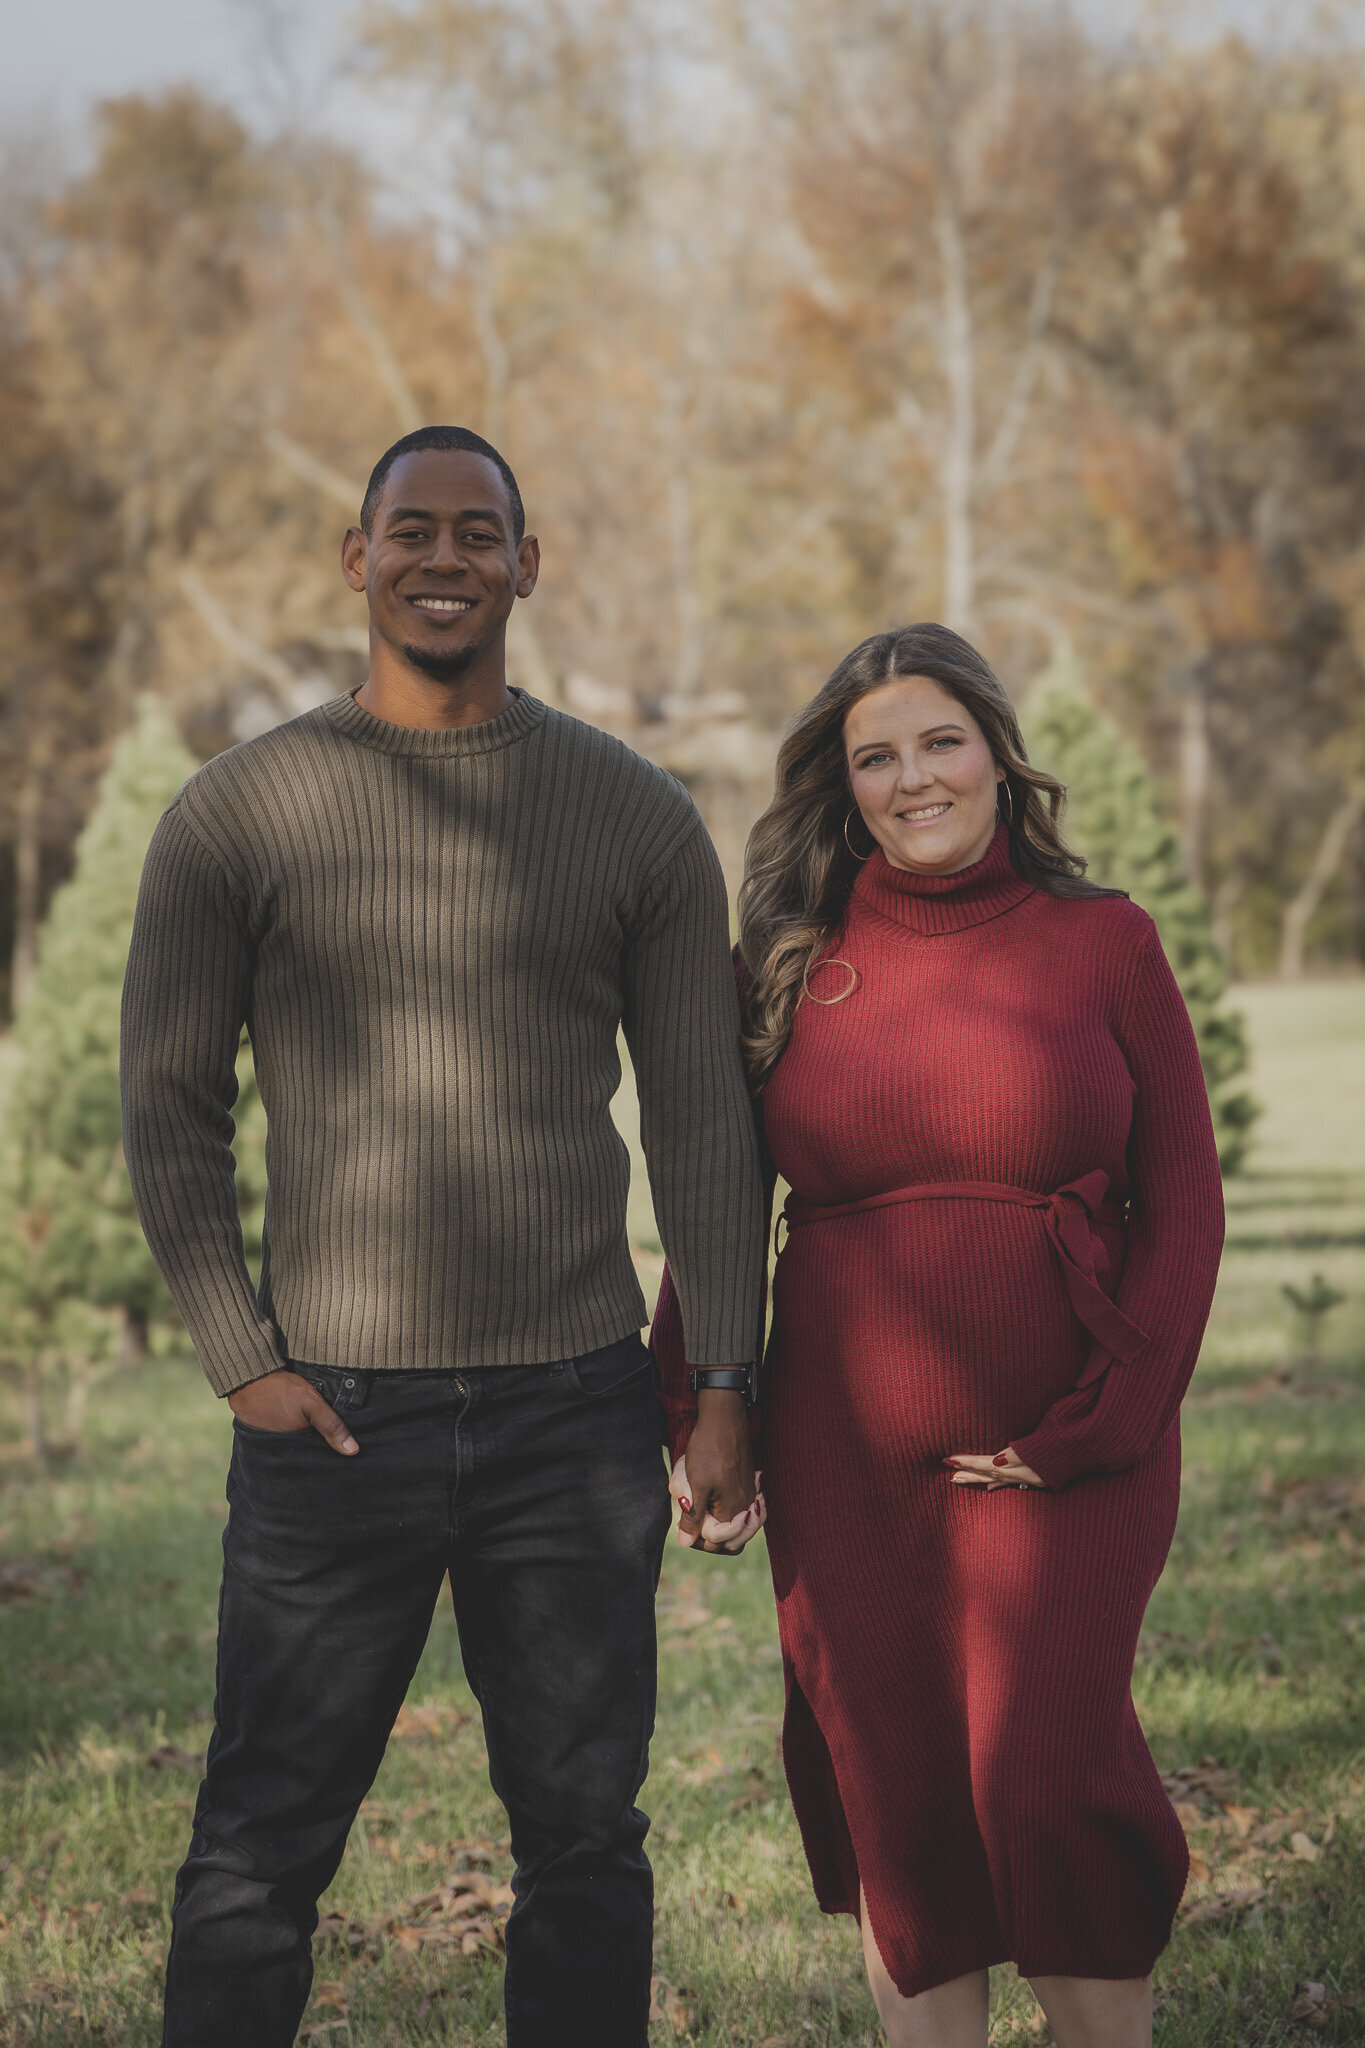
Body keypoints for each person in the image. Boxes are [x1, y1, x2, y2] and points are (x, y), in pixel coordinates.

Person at [120, 424, 767, 2048]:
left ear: (525, 566)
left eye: (479, 534)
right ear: (356, 561)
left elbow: (701, 1119)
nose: (443, 560)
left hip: (574, 1413)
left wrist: (725, 1385)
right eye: (410, 531)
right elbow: (169, 1102)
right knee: (261, 1843)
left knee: (584, 1841)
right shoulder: (236, 814)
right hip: (330, 1413)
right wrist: (238, 1359)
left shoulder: (631, 816)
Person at [653, 623, 1225, 2048]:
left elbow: (1186, 1202)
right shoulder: (787, 963)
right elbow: (721, 1203)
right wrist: (695, 1410)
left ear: (992, 752)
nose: (913, 779)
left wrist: (1109, 1417)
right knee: (897, 1794)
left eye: (937, 742)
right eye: (875, 757)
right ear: (839, 786)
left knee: (1047, 1776)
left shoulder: (1103, 942)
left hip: (1067, 1447)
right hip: (848, 1460)